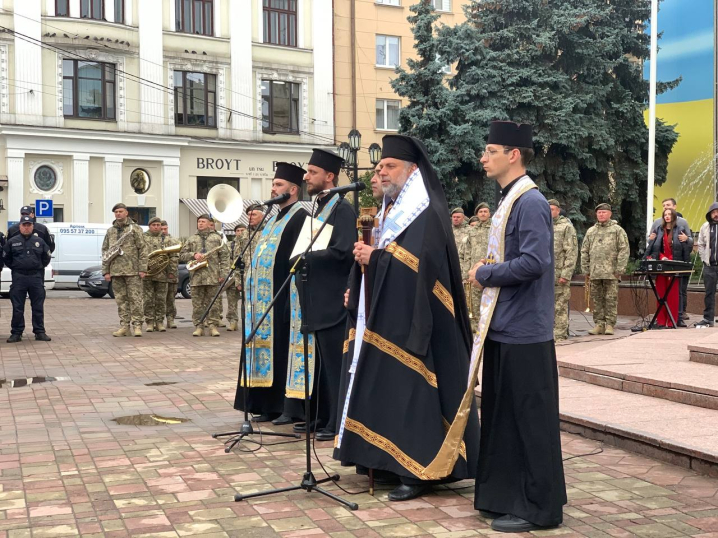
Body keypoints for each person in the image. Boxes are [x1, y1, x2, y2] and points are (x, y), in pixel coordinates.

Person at [336, 134, 479, 502]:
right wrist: (359, 284)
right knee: (388, 393)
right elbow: (375, 255)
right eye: (380, 166)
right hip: (385, 316)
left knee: (412, 394)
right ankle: (386, 462)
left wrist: (376, 260)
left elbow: (420, 268)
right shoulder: (388, 211)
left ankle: (419, 472)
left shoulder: (425, 212)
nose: (381, 172)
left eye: (389, 166)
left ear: (412, 171)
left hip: (417, 323)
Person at [467, 121, 565, 532]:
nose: (483, 157)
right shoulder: (509, 199)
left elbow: (534, 262)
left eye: (490, 150)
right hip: (505, 327)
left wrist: (485, 274)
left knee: (530, 420)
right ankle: (506, 497)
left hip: (526, 331)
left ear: (514, 155)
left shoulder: (530, 202)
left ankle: (539, 509)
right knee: (504, 417)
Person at [287, 148, 355, 440]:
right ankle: (318, 415)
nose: (306, 176)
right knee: (317, 363)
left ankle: (334, 420)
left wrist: (307, 256)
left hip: (332, 301)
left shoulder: (342, 208)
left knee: (333, 364)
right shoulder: (316, 207)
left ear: (330, 176)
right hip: (315, 299)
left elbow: (343, 251)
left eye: (312, 172)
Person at [234, 163, 309, 422]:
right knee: (265, 347)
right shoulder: (273, 217)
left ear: (293, 189)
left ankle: (282, 406)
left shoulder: (300, 216)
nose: (273, 189)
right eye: (273, 184)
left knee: (281, 349)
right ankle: (264, 405)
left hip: (283, 295)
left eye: (278, 185)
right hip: (263, 301)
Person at [581, 203, 630, 336]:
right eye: (599, 213)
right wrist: (585, 268)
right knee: (597, 299)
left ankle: (609, 324)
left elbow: (624, 250)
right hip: (595, 272)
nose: (601, 215)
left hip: (611, 272)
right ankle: (599, 324)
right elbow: (585, 250)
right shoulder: (591, 231)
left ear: (609, 214)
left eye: (603, 212)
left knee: (611, 299)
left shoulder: (617, 230)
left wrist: (620, 269)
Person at [102, 203, 148, 337]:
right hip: (116, 271)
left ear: (126, 213)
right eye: (116, 212)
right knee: (121, 300)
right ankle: (125, 326)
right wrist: (106, 271)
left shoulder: (135, 229)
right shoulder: (111, 231)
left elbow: (143, 249)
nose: (118, 214)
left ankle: (137, 325)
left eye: (120, 211)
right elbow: (105, 251)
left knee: (135, 299)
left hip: (133, 271)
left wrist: (142, 268)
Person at [3, 216, 52, 342]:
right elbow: (6, 258)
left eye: (28, 225)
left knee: (38, 306)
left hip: (35, 277)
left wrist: (38, 267)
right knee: (18, 306)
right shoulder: (12, 241)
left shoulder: (39, 241)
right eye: (24, 225)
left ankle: (39, 331)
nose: (26, 227)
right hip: (19, 277)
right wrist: (16, 267)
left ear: (32, 226)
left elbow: (46, 257)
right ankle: (16, 332)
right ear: (20, 226)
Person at [180, 214, 229, 337]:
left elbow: (224, 257)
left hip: (213, 276)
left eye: (203, 221)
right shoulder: (192, 239)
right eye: (199, 221)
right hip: (196, 277)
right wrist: (194, 254)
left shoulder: (217, 239)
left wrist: (223, 273)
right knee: (197, 304)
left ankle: (213, 326)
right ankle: (199, 326)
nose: (200, 223)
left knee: (214, 303)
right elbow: (181, 255)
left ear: (209, 223)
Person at [646, 207, 691, 328]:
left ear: (673, 216)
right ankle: (661, 321)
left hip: (674, 265)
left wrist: (674, 259)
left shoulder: (680, 229)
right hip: (661, 263)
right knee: (660, 293)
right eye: (665, 214)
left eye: (669, 214)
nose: (667, 216)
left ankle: (671, 322)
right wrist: (661, 257)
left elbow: (683, 248)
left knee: (673, 295)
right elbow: (655, 247)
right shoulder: (658, 229)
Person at [549, 199, 578, 341]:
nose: (550, 212)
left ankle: (560, 333)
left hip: (559, 273)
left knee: (560, 305)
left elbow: (571, 252)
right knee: (547, 305)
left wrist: (566, 274)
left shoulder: (566, 227)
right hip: (544, 274)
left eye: (552, 209)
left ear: (558, 211)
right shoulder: (542, 226)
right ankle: (549, 332)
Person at [143, 217, 170, 332]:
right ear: (149, 226)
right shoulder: (143, 238)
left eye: (158, 225)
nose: (156, 227)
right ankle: (149, 322)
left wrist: (172, 272)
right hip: (147, 274)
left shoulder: (166, 239)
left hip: (162, 274)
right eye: (154, 225)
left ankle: (159, 321)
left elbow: (172, 257)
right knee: (148, 299)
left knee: (161, 299)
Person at [696, 203, 718, 328]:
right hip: (710, 266)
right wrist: (704, 259)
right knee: (709, 293)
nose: (716, 214)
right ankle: (708, 318)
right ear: (710, 214)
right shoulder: (705, 226)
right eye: (714, 212)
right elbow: (701, 244)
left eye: (717, 211)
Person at [225, 224, 246, 332]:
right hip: (232, 276)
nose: (240, 232)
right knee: (231, 301)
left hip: (246, 276)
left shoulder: (250, 243)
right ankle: (233, 322)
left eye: (242, 230)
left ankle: (249, 322)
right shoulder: (229, 245)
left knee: (248, 301)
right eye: (238, 230)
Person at [160, 220, 180, 329]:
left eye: (165, 229)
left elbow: (176, 257)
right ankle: (158, 320)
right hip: (158, 274)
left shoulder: (174, 240)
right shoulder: (156, 240)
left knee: (170, 298)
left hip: (171, 274)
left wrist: (172, 272)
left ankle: (170, 319)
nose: (163, 231)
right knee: (159, 299)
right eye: (161, 229)